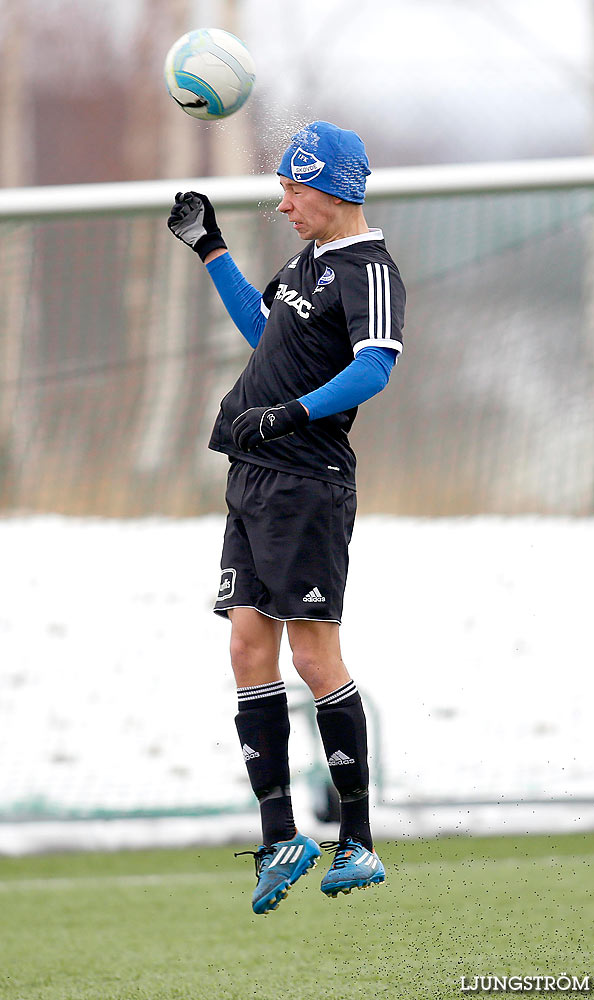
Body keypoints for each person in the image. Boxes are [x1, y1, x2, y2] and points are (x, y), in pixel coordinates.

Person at [167, 121, 405, 914]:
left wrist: (292, 414)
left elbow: (375, 367)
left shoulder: (371, 271)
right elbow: (263, 333)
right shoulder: (308, 261)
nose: (283, 205)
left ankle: (359, 840)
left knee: (313, 658)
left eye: (294, 191)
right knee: (244, 644)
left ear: (336, 191)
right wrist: (211, 250)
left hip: (307, 483)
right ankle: (280, 836)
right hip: (255, 474)